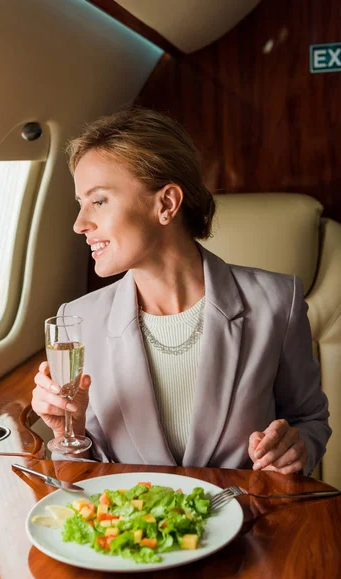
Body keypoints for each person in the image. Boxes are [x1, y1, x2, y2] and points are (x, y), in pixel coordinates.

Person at [31, 107, 331, 475]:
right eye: (81, 204)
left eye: (99, 201)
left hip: (247, 523)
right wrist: (66, 434)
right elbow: (80, 476)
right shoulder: (77, 322)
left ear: (167, 204)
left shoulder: (276, 303)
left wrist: (298, 448)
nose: (80, 224)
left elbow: (310, 419)